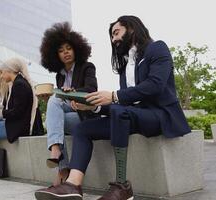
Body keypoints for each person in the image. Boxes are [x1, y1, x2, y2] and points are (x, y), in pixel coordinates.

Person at [34, 15, 191, 200]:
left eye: (116, 33)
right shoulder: (125, 67)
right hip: (132, 116)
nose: (114, 39)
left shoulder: (157, 48)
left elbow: (155, 85)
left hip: (159, 115)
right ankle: (73, 184)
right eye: (111, 36)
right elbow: (124, 102)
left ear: (131, 29)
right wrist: (92, 108)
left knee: (118, 109)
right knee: (81, 128)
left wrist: (114, 96)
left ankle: (122, 186)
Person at [38, 22, 98, 185]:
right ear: (55, 55)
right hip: (70, 115)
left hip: (86, 115)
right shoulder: (60, 75)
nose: (65, 53)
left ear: (76, 49)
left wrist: (73, 92)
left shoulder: (87, 67)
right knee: (54, 105)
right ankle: (63, 168)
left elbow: (92, 89)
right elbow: (59, 102)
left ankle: (58, 160)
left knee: (55, 105)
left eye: (68, 48)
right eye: (61, 51)